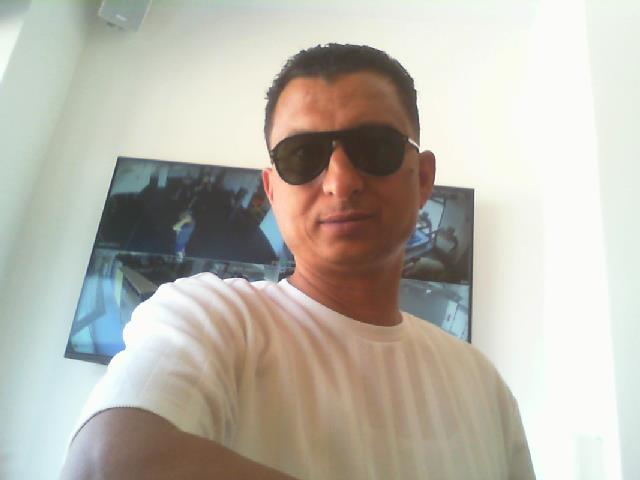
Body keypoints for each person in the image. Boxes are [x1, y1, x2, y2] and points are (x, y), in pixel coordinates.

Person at [61, 44, 535, 479]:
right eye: (303, 155)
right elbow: (103, 466)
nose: (340, 182)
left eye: (375, 147)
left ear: (423, 177)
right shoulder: (211, 317)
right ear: (272, 191)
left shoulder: (484, 387)